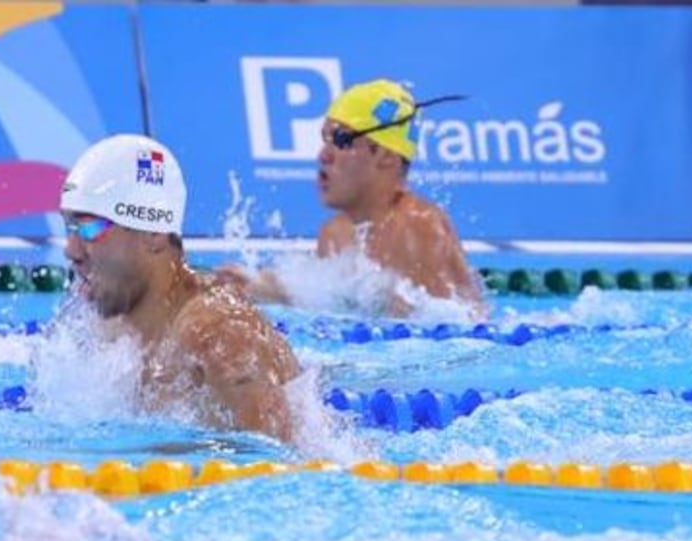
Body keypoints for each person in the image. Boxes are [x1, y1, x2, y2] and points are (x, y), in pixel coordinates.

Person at [60, 134, 301, 443]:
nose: (71, 250)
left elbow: (279, 470)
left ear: (154, 234)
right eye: (70, 229)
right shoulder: (110, 329)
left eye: (90, 228)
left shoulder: (220, 337)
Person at [217, 78, 483, 316]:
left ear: (386, 155)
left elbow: (454, 330)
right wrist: (260, 287)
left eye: (342, 141)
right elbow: (332, 304)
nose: (324, 155)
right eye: (325, 140)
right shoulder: (334, 235)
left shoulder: (418, 225)